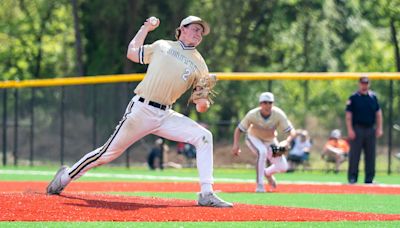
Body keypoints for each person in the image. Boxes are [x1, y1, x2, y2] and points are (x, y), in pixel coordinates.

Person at [47, 15, 232, 207]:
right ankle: (64, 178)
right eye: (195, 28)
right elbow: (132, 53)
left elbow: (201, 104)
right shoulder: (162, 46)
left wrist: (203, 103)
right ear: (182, 29)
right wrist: (145, 29)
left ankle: (207, 193)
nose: (198, 34)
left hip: (165, 115)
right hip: (142, 109)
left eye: (201, 32)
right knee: (106, 154)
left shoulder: (200, 64)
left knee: (204, 136)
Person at [231, 92, 296, 192]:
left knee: (283, 166)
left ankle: (267, 173)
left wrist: (286, 141)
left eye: (270, 103)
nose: (267, 105)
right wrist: (235, 144)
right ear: (260, 104)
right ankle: (260, 185)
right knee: (262, 152)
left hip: (270, 141)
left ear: (273, 104)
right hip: (253, 138)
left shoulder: (278, 114)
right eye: (265, 102)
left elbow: (291, 131)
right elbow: (239, 129)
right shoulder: (252, 114)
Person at [345, 76, 383, 184]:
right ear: (359, 84)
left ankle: (369, 179)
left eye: (366, 83)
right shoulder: (353, 97)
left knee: (371, 155)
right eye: (362, 83)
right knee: (355, 155)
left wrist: (379, 128)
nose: (364, 85)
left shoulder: (373, 97)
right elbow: (348, 115)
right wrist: (350, 129)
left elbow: (378, 114)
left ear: (369, 84)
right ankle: (352, 178)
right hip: (357, 129)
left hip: (370, 129)